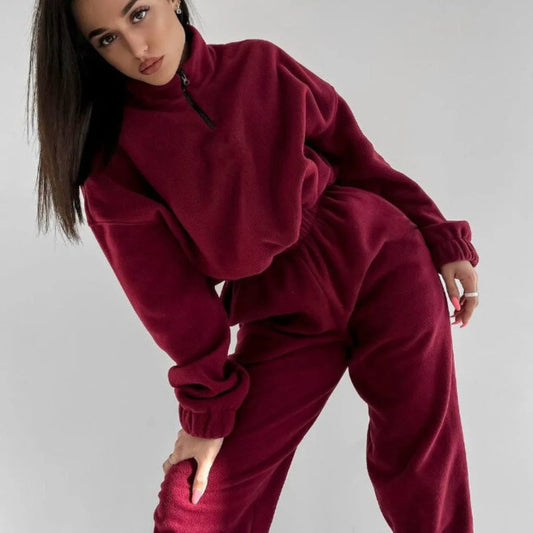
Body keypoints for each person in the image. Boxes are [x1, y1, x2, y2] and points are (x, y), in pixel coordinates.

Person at [28, 0, 480, 531]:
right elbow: (171, 302)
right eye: (106, 39)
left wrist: (438, 235)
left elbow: (357, 157)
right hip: (283, 308)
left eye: (138, 13)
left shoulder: (261, 65)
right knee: (196, 505)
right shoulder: (113, 167)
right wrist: (208, 411)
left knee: (422, 463)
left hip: (386, 261)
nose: (136, 47)